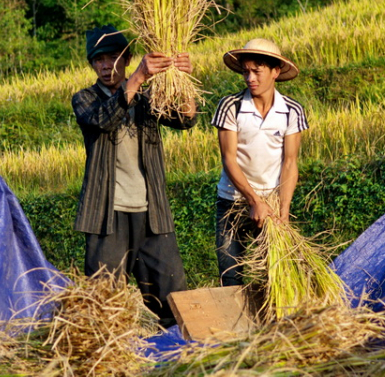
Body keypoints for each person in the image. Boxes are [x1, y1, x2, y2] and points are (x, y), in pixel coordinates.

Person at [72, 24, 196, 326]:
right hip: (106, 216)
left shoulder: (148, 99)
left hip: (152, 214)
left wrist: (183, 80)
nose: (105, 66)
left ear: (126, 58)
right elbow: (103, 121)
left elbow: (185, 119)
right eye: (98, 60)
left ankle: (180, 360)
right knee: (104, 305)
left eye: (112, 57)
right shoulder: (85, 99)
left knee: (172, 299)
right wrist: (139, 77)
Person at [211, 38, 308, 286]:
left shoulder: (291, 110)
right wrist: (254, 201)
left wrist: (283, 210)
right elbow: (229, 159)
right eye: (246, 72)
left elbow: (290, 162)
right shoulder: (230, 106)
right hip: (233, 202)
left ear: (275, 72)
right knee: (231, 275)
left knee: (277, 275)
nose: (250, 78)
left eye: (257, 71)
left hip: (272, 205)